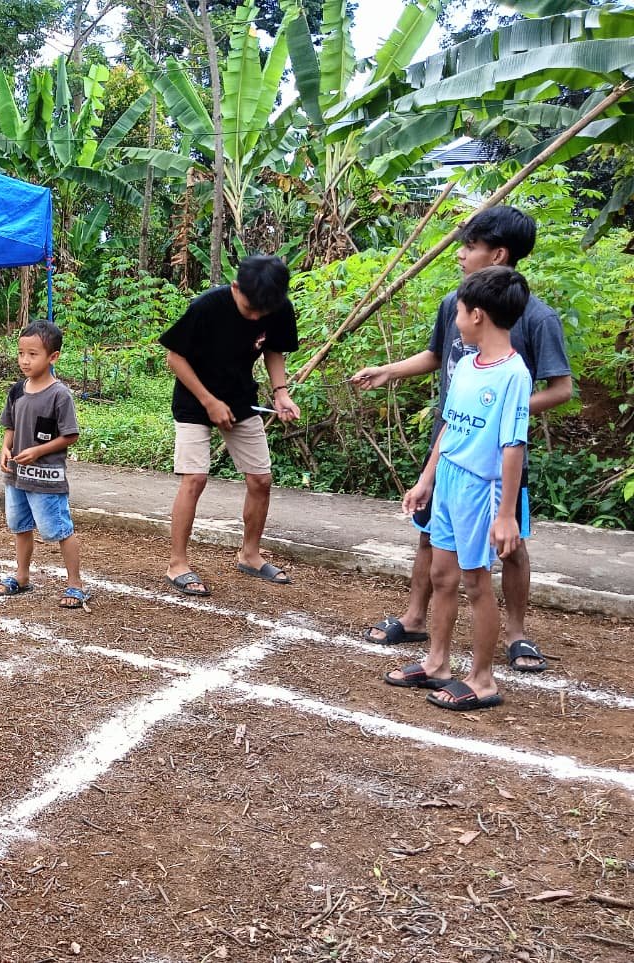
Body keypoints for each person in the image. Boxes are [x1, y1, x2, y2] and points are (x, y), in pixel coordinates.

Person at [351, 206, 571, 672]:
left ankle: (516, 635)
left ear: (499, 254)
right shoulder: (457, 304)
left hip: (494, 459)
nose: (461, 255)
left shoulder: (535, 318)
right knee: (431, 536)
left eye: (470, 247)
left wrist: (500, 415)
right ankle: (415, 618)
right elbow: (436, 355)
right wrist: (389, 371)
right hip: (449, 447)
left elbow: (561, 389)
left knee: (508, 544)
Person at [385, 267, 533, 711]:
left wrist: (505, 515)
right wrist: (426, 480)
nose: (456, 321)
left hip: (480, 489)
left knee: (475, 581)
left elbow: (513, 446)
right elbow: (450, 426)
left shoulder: (513, 375)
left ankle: (482, 679)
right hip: (448, 478)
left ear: (478, 315)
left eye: (460, 313)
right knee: (442, 575)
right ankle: (436, 663)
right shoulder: (467, 364)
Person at [159, 255, 301, 597]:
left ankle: (249, 555)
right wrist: (209, 401)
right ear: (235, 287)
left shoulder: (276, 306)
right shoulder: (207, 307)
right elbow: (174, 357)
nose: (255, 318)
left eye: (262, 312)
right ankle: (177, 563)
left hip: (240, 399)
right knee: (195, 478)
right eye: (250, 309)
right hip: (194, 400)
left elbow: (274, 349)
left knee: (261, 479)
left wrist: (281, 392)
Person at [0, 320, 90, 609]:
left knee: (58, 529)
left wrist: (38, 451)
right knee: (20, 526)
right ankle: (22, 576)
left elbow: (70, 435)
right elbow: (10, 424)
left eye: (33, 354)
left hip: (47, 479)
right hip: (16, 477)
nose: (25, 360)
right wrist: (5, 447)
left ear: (53, 357)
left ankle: (75, 583)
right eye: (21, 353)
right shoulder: (17, 390)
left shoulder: (59, 394)